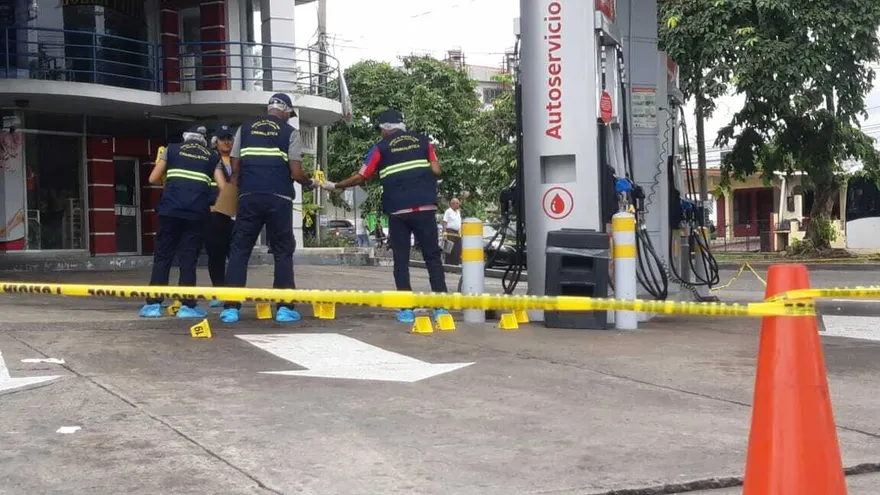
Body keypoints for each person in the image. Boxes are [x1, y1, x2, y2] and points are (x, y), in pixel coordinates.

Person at [322, 109, 449, 324]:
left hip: (399, 211)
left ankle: (407, 310)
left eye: (381, 130)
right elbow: (436, 170)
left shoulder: (380, 148)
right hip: (425, 208)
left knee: (401, 259)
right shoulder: (424, 141)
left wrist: (336, 185)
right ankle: (441, 308)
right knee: (433, 258)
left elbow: (362, 176)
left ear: (386, 129)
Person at [220, 93, 319, 324]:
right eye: (289, 114)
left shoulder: (244, 129)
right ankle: (284, 308)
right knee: (282, 251)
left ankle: (231, 309)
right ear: (284, 110)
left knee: (240, 249)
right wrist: (309, 181)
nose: (289, 118)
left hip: (249, 196)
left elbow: (235, 167)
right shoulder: (289, 133)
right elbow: (295, 172)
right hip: (279, 199)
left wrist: (237, 192)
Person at [139, 125, 220, 319]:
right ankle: (187, 306)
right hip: (196, 214)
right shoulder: (211, 156)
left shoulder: (171, 149)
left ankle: (153, 306)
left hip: (170, 211)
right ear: (203, 139)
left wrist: (171, 184)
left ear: (186, 137)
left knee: (163, 257)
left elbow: (152, 178)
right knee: (188, 259)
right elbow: (223, 187)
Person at [204, 124, 237, 307]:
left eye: (229, 138)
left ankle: (232, 290)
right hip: (215, 212)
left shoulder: (236, 160)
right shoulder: (210, 160)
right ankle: (218, 291)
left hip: (235, 213)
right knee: (216, 254)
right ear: (215, 142)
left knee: (235, 254)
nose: (226, 142)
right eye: (223, 139)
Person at [442, 197, 462, 265]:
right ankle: (448, 266)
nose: (459, 205)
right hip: (450, 232)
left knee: (458, 250)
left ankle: (455, 265)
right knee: (450, 250)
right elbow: (444, 222)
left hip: (457, 233)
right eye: (457, 203)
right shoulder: (448, 211)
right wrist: (445, 234)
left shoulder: (458, 212)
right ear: (453, 204)